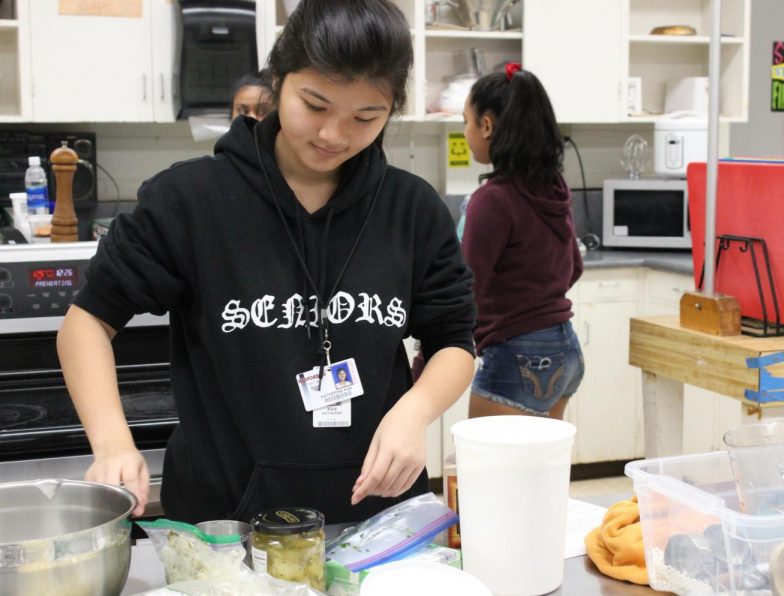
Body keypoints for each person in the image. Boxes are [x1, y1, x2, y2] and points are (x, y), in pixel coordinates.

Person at [57, 0, 476, 525]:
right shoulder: (191, 200)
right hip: (224, 524)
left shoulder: (411, 210)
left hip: (377, 522)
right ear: (278, 79)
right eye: (315, 105)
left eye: (366, 117)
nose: (333, 136)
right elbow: (87, 322)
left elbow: (454, 341)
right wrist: (114, 442)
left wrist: (415, 412)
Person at [461, 62, 584, 420]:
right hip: (566, 351)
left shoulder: (492, 200)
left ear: (486, 125)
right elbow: (574, 267)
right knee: (542, 471)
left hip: (518, 355)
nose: (466, 132)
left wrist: (424, 361)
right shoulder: (555, 187)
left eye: (466, 122)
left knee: (488, 473)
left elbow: (467, 290)